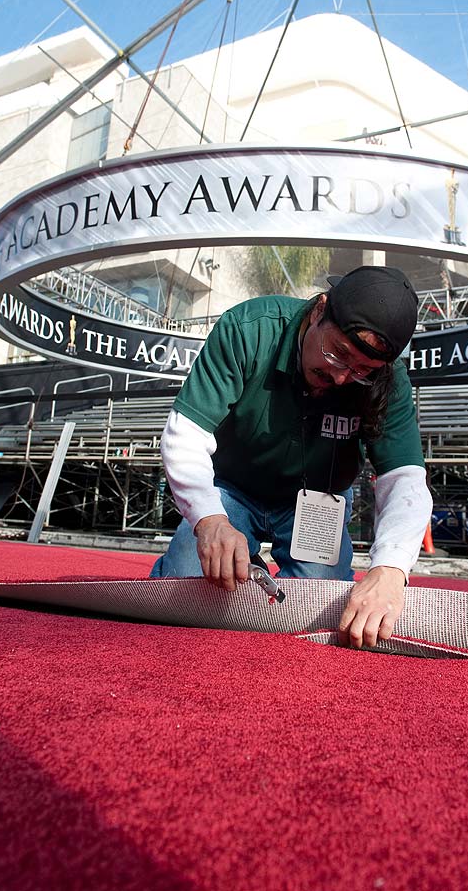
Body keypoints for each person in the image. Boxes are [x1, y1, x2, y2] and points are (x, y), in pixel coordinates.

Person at [150, 265, 433, 649]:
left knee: (319, 606)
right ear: (319, 310)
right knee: (185, 585)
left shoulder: (389, 380)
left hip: (318, 500)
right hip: (231, 488)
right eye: (337, 354)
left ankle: (255, 571)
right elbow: (185, 433)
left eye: (362, 371)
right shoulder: (249, 328)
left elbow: (404, 480)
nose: (340, 378)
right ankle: (213, 558)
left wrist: (391, 570)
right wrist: (211, 521)